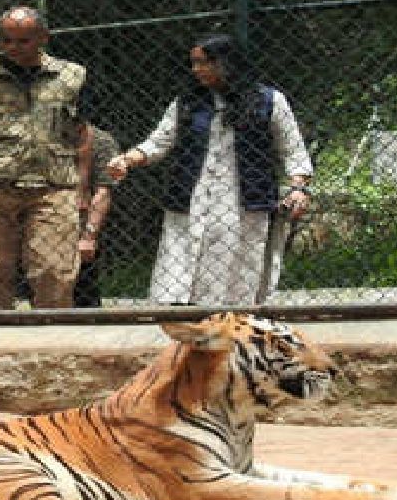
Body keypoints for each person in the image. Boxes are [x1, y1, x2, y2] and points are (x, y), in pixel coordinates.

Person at [106, 33, 313, 306]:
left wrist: (298, 188)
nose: (196, 70)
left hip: (242, 199)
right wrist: (127, 159)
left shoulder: (269, 101)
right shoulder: (188, 103)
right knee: (180, 264)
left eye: (204, 62)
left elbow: (293, 148)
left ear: (227, 62)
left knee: (234, 268)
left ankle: (231, 321)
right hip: (192, 195)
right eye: (193, 63)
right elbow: (159, 141)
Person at [0, 6, 94, 310]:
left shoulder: (73, 76)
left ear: (43, 38)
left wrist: (82, 189)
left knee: (55, 271)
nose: (13, 48)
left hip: (54, 184)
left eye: (23, 41)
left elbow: (83, 134)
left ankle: (52, 341)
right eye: (6, 41)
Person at [72, 125, 122, 307]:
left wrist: (89, 235)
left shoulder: (101, 141)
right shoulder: (39, 137)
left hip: (82, 220)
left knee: (84, 294)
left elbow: (104, 192)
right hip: (40, 216)